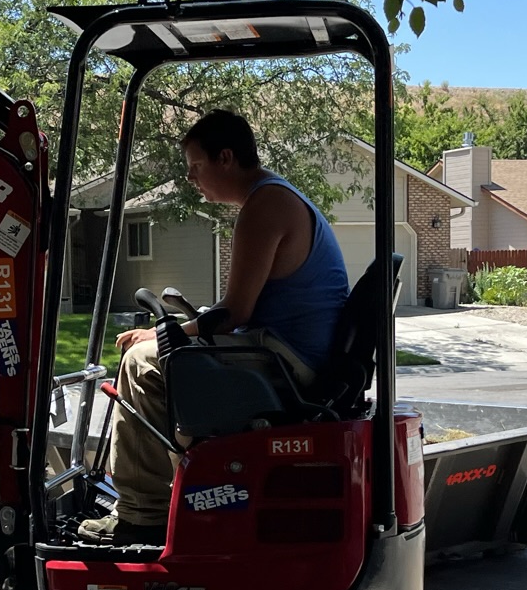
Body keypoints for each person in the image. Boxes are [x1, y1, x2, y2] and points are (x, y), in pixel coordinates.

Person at [79, 109, 351, 545]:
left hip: (286, 361)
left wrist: (161, 334)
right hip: (289, 349)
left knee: (139, 363)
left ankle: (141, 515)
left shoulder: (267, 204)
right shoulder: (275, 197)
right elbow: (241, 309)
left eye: (195, 166)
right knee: (158, 355)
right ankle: (172, 491)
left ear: (225, 157)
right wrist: (188, 324)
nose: (191, 178)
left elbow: (236, 313)